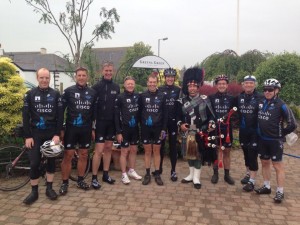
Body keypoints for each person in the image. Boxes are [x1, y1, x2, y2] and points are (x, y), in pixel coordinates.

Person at [22, 67, 63, 204]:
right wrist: (27, 136)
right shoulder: (30, 94)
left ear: (49, 79)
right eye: (42, 77)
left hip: (52, 134)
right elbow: (25, 116)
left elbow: (60, 116)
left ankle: (49, 188)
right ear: (37, 78)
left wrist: (57, 134)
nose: (44, 80)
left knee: (51, 161)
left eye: (47, 78)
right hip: (35, 134)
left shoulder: (56, 94)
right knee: (34, 163)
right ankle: (34, 192)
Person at [255, 78, 297, 203]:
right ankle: (267, 186)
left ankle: (280, 191)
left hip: (275, 141)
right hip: (262, 139)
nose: (267, 92)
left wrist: (281, 134)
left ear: (277, 90)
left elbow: (293, 124)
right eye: (265, 89)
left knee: (278, 166)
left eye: (270, 90)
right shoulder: (261, 101)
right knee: (264, 163)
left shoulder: (281, 105)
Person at [59, 67, 97, 195]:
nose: (81, 77)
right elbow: (60, 111)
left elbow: (93, 113)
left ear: (87, 77)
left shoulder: (92, 92)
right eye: (79, 75)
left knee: (84, 154)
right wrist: (61, 129)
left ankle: (80, 180)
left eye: (84, 75)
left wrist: (92, 128)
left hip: (86, 130)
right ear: (76, 77)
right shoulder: (68, 91)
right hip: (71, 129)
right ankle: (65, 183)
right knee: (68, 156)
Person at [177, 67, 215, 189]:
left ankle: (197, 177)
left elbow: (211, 117)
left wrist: (211, 124)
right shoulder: (181, 101)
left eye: (194, 86)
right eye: (190, 86)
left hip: (201, 131)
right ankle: (190, 174)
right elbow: (178, 117)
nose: (192, 88)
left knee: (198, 154)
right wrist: (180, 124)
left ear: (198, 87)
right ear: (187, 88)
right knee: (189, 154)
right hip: (188, 131)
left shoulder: (205, 100)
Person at [91, 62, 120, 188]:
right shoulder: (96, 87)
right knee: (98, 151)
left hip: (111, 123)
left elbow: (117, 108)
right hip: (100, 123)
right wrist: (93, 124)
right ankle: (94, 177)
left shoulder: (116, 87)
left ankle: (106, 174)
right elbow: (92, 107)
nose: (108, 73)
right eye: (106, 70)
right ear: (102, 71)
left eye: (110, 70)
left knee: (108, 148)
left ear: (112, 71)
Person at [139, 73, 168, 186]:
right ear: (147, 83)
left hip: (158, 128)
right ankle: (147, 174)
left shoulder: (162, 96)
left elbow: (165, 114)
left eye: (154, 82)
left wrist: (164, 129)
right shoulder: (142, 96)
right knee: (147, 152)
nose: (152, 84)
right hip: (146, 128)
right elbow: (139, 112)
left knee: (156, 151)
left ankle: (157, 174)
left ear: (157, 83)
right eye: (150, 82)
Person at [114, 76, 142, 184]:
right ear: (124, 85)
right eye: (128, 84)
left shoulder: (137, 96)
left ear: (134, 85)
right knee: (124, 152)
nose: (130, 85)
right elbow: (116, 116)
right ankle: (123, 174)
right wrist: (118, 132)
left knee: (134, 150)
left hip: (134, 128)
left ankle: (131, 170)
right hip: (124, 128)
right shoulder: (120, 97)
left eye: (132, 84)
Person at [209, 74, 236, 185]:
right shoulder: (211, 98)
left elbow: (235, 114)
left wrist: (231, 122)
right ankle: (215, 173)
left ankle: (227, 175)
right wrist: (211, 123)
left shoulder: (232, 99)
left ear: (227, 85)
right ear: (216, 85)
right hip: (215, 129)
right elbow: (209, 113)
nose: (221, 85)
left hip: (227, 129)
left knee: (227, 152)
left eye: (224, 83)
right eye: (219, 84)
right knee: (215, 151)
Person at [237, 75, 262, 192]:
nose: (249, 85)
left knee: (252, 155)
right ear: (243, 84)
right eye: (247, 83)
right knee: (246, 154)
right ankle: (248, 174)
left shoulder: (260, 97)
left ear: (255, 84)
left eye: (251, 83)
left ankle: (252, 181)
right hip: (243, 131)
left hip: (255, 132)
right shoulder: (240, 97)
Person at [156, 68, 181, 181]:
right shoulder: (159, 89)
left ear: (174, 78)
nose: (170, 79)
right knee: (160, 145)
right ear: (165, 78)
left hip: (173, 123)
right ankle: (159, 168)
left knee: (173, 146)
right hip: (162, 123)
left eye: (172, 77)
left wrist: (179, 121)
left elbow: (180, 107)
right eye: (168, 77)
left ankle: (173, 171)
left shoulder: (178, 90)